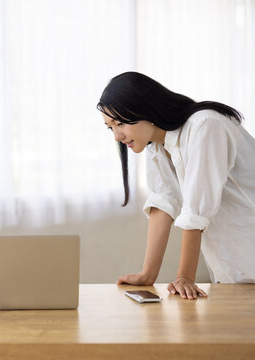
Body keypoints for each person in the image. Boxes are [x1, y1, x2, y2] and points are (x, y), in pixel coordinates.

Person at [97, 72, 255, 300]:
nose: (116, 136)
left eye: (120, 123)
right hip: (234, 274)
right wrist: (147, 274)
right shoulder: (158, 147)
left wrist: (185, 277)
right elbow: (163, 203)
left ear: (146, 110)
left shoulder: (205, 125)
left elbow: (197, 208)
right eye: (110, 127)